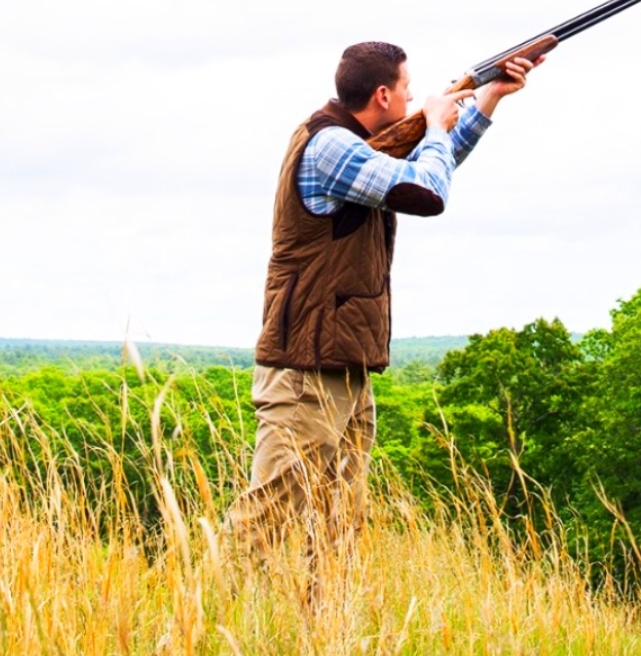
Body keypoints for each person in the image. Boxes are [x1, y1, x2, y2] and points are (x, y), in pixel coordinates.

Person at [226, 40, 541, 557]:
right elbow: (425, 189)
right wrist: (437, 125)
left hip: (342, 363)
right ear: (381, 94)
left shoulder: (355, 143)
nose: (413, 96)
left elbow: (421, 169)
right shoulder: (330, 145)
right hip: (307, 367)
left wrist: (488, 99)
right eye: (407, 89)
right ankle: (214, 622)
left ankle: (325, 631)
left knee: (338, 522)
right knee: (267, 517)